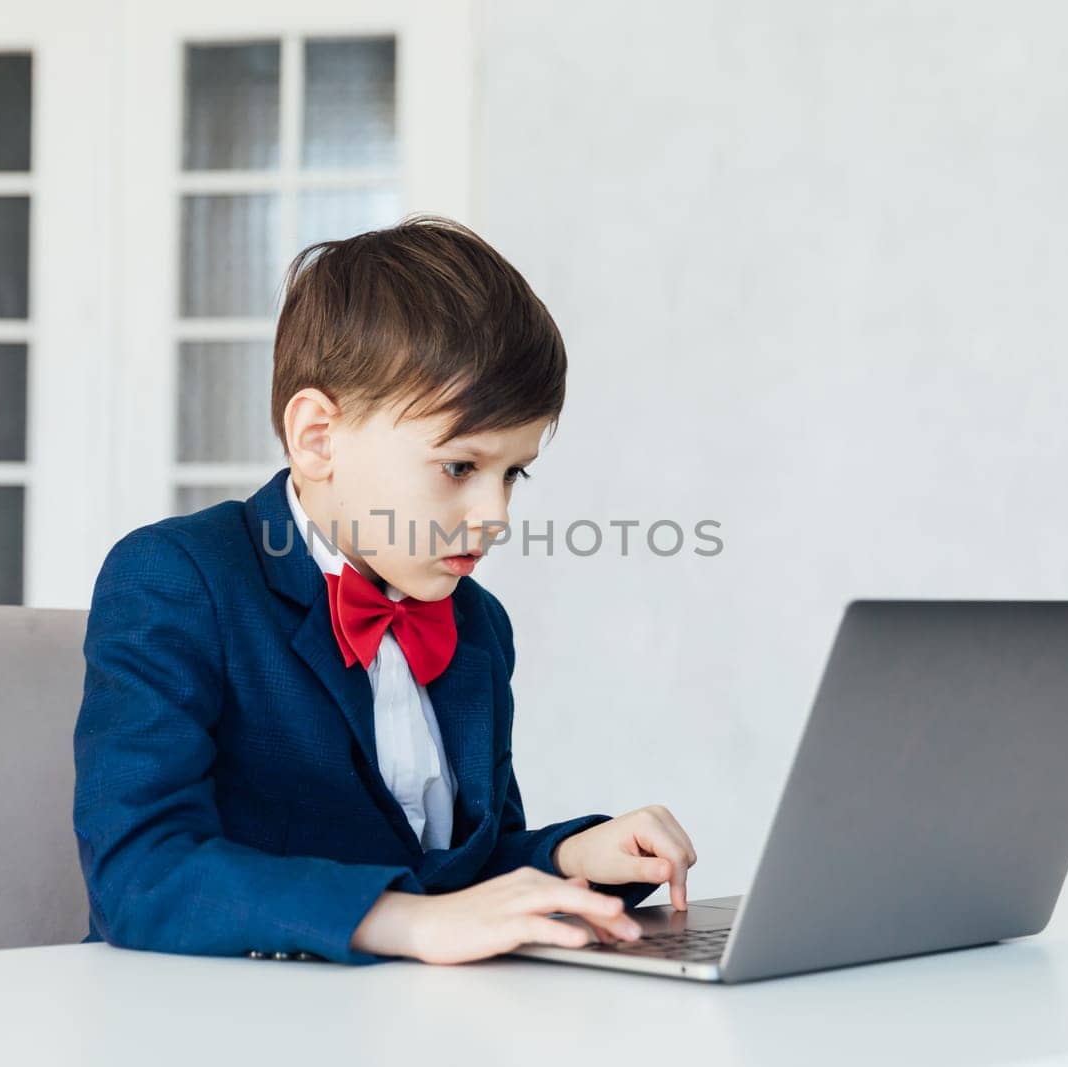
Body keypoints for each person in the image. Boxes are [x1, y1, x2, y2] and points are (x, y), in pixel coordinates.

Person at [73, 215, 698, 965]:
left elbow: (456, 877)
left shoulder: (477, 625)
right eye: (460, 468)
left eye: (514, 473)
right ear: (317, 437)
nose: (494, 516)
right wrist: (411, 925)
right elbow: (140, 872)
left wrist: (569, 856)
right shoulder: (178, 578)